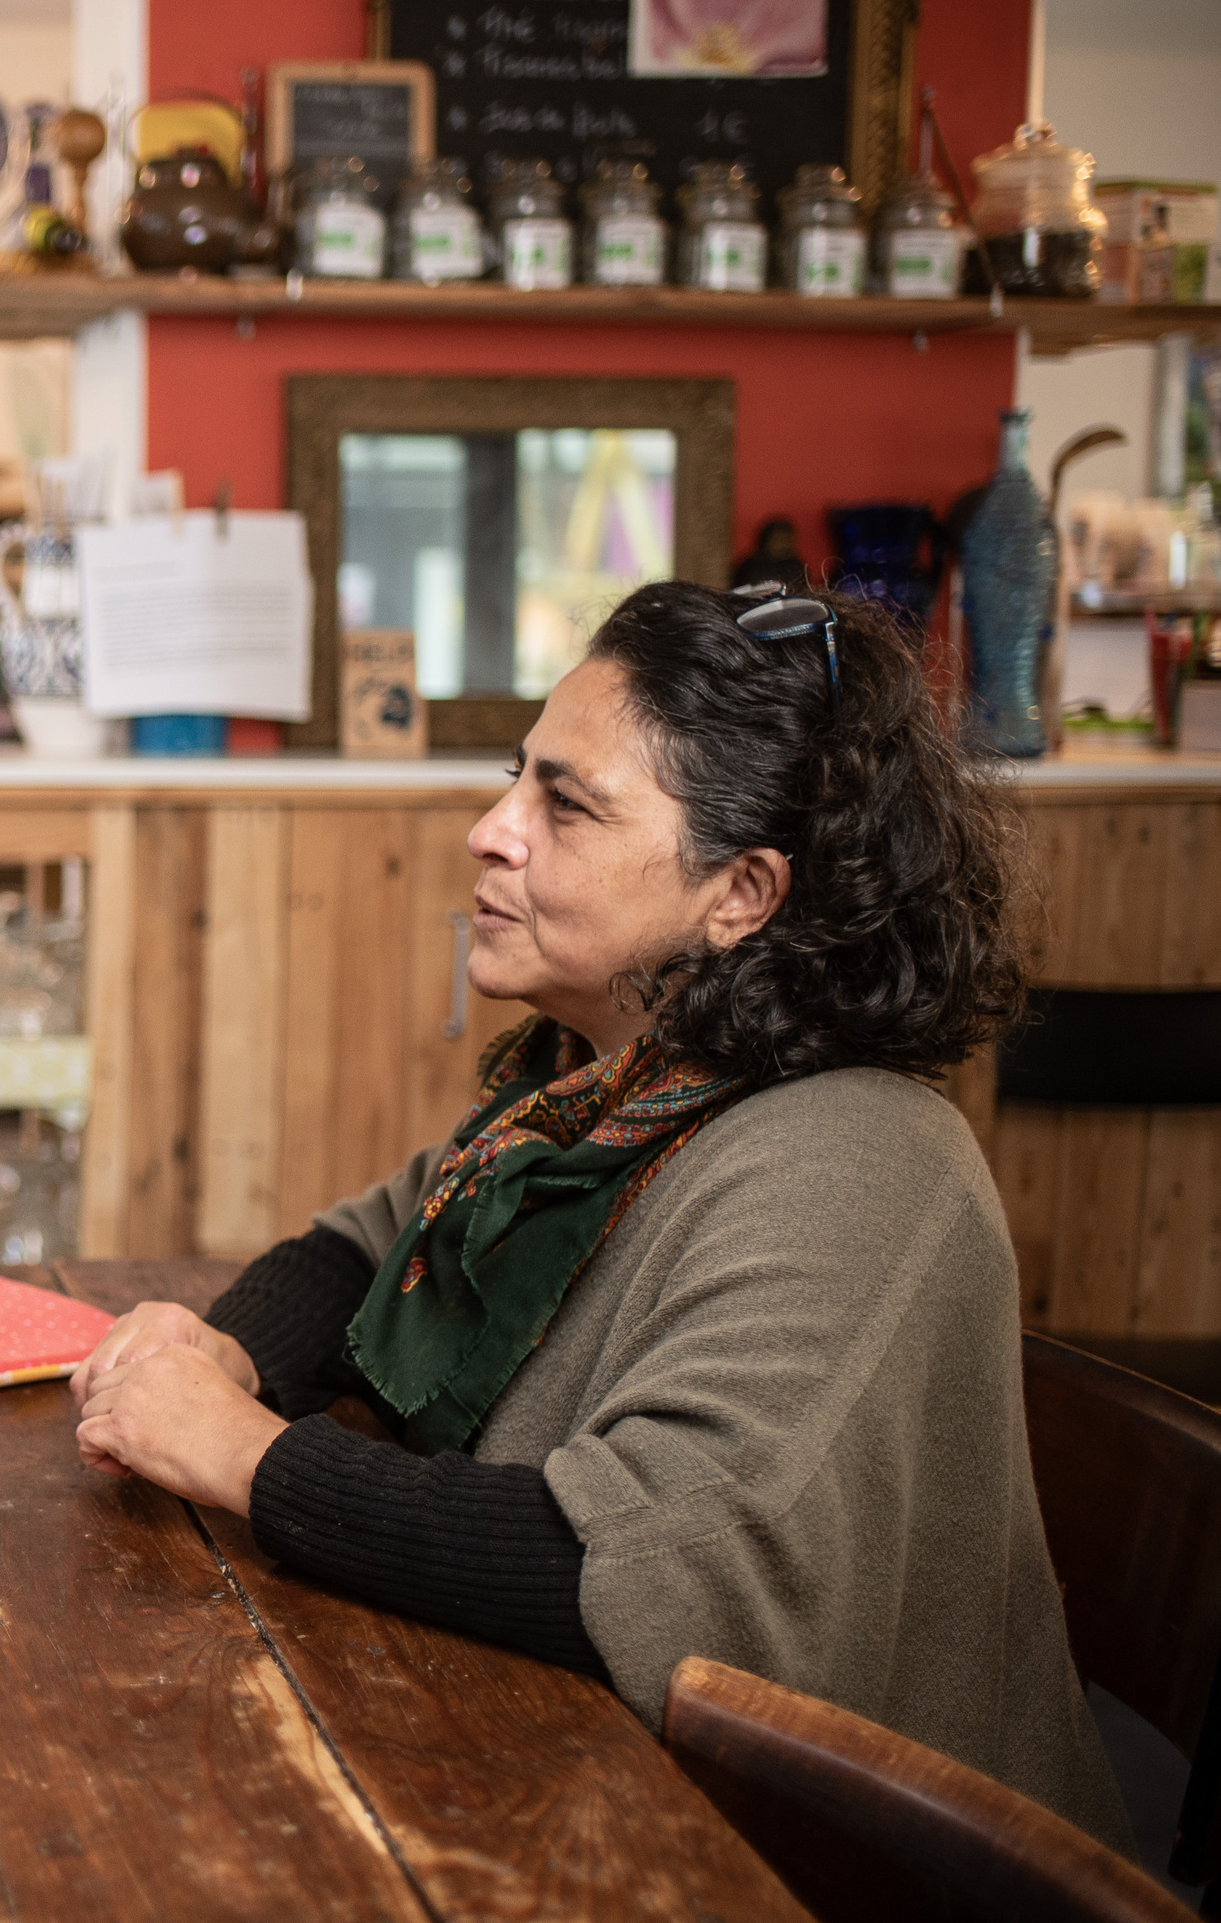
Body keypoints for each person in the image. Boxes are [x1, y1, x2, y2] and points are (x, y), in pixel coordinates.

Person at [71, 580, 1131, 1844]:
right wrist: (224, 1352)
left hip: (846, 1868)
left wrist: (242, 1453)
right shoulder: (596, 1091)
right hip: (609, 1771)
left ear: (741, 893)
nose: (490, 829)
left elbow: (640, 1565)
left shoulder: (859, 1158)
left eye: (563, 805)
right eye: (516, 778)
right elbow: (363, 1246)